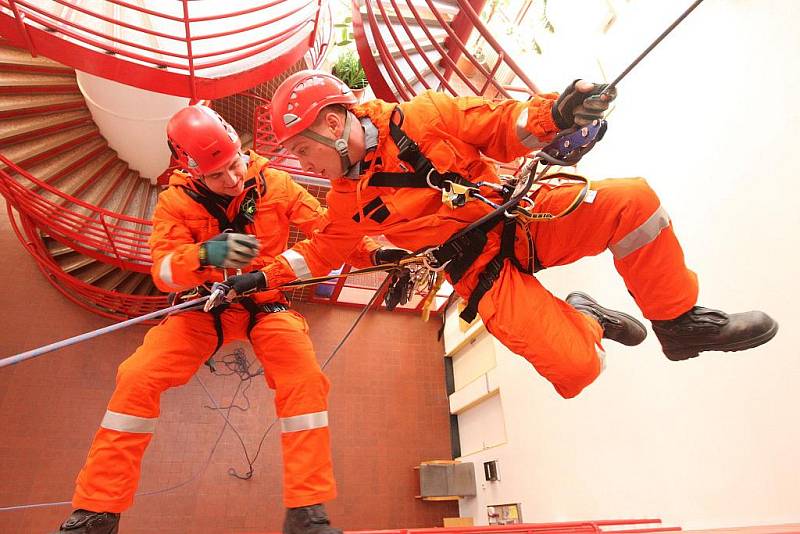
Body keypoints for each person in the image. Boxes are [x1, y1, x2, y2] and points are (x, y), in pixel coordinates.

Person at [215, 69, 777, 401]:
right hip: (478, 269)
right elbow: (319, 252)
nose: (305, 164)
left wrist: (558, 112)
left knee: (634, 202)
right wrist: (259, 277)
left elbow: (504, 126)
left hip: (519, 217)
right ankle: (586, 317)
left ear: (333, 125)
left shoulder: (425, 117)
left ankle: (679, 324)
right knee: (578, 370)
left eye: (304, 150)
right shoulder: (346, 204)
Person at [57, 104, 377, 533]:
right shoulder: (174, 204)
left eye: (234, 164)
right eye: (216, 175)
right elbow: (163, 272)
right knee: (138, 376)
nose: (231, 179)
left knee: (303, 379)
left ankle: (306, 513)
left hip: (265, 300)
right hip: (204, 308)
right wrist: (205, 255)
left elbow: (327, 228)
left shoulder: (276, 184)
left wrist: (375, 253)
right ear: (192, 175)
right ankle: (97, 510)